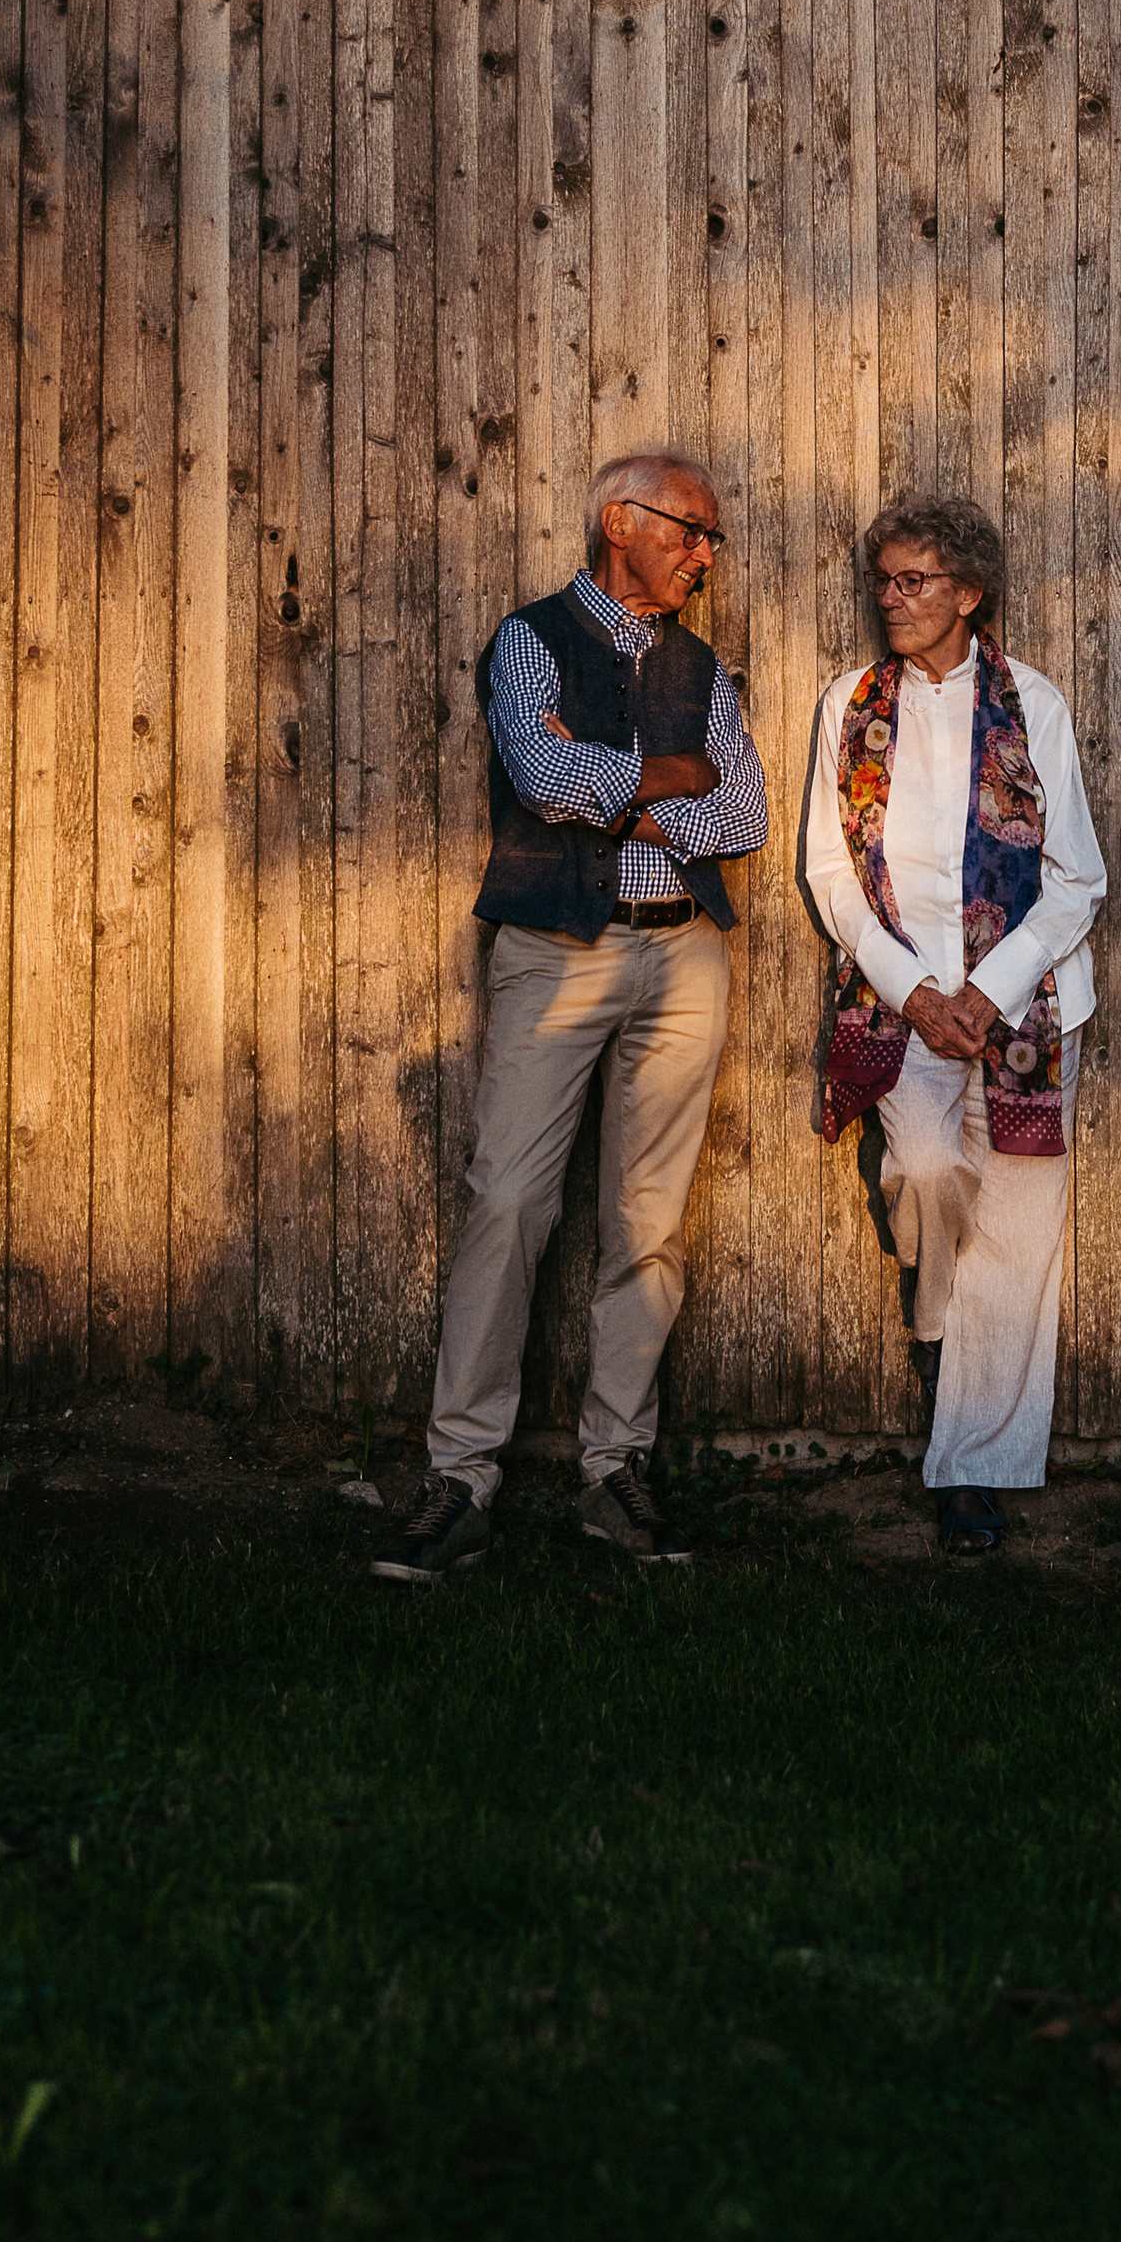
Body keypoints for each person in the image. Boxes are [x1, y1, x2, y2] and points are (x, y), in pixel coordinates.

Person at [373, 452, 768, 1580]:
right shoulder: (528, 639)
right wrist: (663, 775)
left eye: (709, 539)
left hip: (683, 957)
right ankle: (460, 1476)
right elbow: (542, 776)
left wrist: (629, 793)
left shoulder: (704, 664)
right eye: (693, 530)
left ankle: (614, 1471)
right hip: (554, 955)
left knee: (647, 1222)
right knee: (507, 1202)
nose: (705, 555)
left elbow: (737, 810)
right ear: (619, 521)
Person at [802, 494, 1106, 1552]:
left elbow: (1077, 877)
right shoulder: (850, 701)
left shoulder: (1034, 703)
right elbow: (827, 873)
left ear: (967, 593)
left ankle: (972, 1468)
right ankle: (939, 1336)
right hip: (902, 1004)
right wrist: (915, 992)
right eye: (883, 579)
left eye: (913, 580)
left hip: (1023, 1004)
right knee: (924, 1171)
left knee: (1017, 1230)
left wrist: (991, 990)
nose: (891, 597)